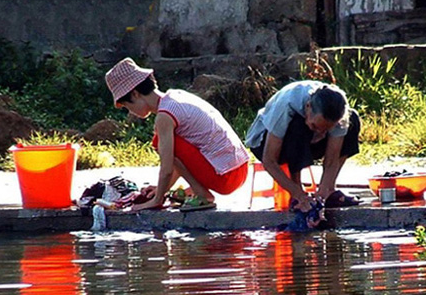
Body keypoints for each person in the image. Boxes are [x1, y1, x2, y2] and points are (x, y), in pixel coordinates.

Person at [105, 57, 249, 211]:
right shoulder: (176, 96)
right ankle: (196, 190)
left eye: (127, 105)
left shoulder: (164, 116)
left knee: (158, 141)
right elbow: (181, 162)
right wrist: (161, 189)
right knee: (169, 143)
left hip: (227, 176)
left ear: (135, 94)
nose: (130, 111)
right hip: (240, 168)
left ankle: (202, 195)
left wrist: (157, 200)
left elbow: (167, 167)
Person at [245, 80, 361, 211]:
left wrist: (321, 195)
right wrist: (299, 195)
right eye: (315, 126)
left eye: (326, 130)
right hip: (266, 144)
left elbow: (331, 159)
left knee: (353, 120)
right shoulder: (287, 103)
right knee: (298, 125)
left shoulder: (339, 109)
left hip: (308, 143)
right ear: (308, 107)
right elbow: (269, 160)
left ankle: (329, 190)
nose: (322, 134)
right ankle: (298, 193)